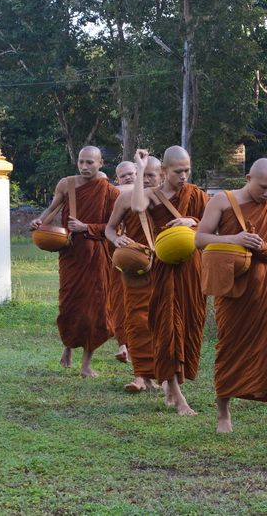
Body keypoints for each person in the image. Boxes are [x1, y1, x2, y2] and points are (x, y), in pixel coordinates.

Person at [195, 158, 267, 440]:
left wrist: (264, 248)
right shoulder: (222, 200)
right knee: (229, 347)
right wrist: (236, 240)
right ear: (248, 177)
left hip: (263, 290)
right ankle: (223, 415)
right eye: (263, 187)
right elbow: (200, 239)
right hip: (230, 288)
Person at [29, 146, 120, 377]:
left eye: (90, 162)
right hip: (70, 253)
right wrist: (39, 222)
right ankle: (67, 347)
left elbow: (114, 227)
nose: (84, 166)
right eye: (81, 162)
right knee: (69, 302)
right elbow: (52, 209)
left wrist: (87, 227)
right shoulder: (66, 184)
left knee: (95, 307)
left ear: (100, 164)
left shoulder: (110, 192)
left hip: (97, 255)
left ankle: (86, 364)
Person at [131, 146, 208, 415]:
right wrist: (140, 169)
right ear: (164, 171)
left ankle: (172, 387)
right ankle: (177, 395)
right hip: (164, 268)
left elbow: (213, 228)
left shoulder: (197, 195)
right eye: (178, 171)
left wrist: (191, 221)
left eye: (187, 170)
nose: (184, 175)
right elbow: (137, 206)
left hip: (192, 269)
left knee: (189, 325)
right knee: (167, 327)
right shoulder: (152, 195)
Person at [105, 156, 163, 392]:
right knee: (138, 320)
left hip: (165, 265)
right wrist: (117, 238)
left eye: (151, 175)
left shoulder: (168, 200)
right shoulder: (126, 198)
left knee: (161, 321)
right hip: (136, 265)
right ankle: (140, 375)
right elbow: (110, 228)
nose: (147, 180)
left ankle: (160, 375)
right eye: (142, 175)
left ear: (162, 174)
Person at [109, 160, 138, 363]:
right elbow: (109, 226)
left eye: (131, 173)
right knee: (119, 300)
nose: (128, 177)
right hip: (123, 252)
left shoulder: (153, 195)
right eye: (123, 175)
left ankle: (137, 348)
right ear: (117, 179)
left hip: (149, 253)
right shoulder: (117, 195)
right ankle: (123, 345)